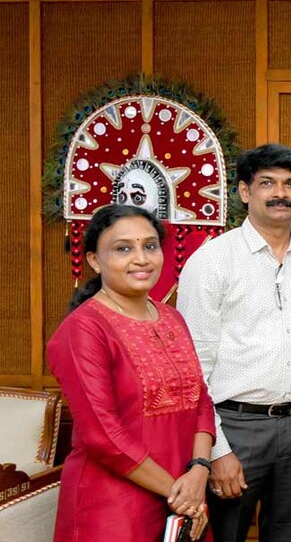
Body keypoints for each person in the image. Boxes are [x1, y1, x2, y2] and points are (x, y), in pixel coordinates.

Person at [177, 144, 291, 542]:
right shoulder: (212, 260)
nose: (280, 193)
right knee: (224, 533)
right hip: (234, 427)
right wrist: (216, 451)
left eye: (290, 184)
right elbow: (192, 365)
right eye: (267, 183)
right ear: (245, 192)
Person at [47, 204, 214, 541]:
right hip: (113, 507)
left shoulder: (172, 318)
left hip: (183, 495)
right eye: (123, 248)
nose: (141, 258)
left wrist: (199, 470)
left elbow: (201, 402)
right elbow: (102, 435)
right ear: (94, 260)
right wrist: (181, 495)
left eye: (150, 246)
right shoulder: (83, 329)